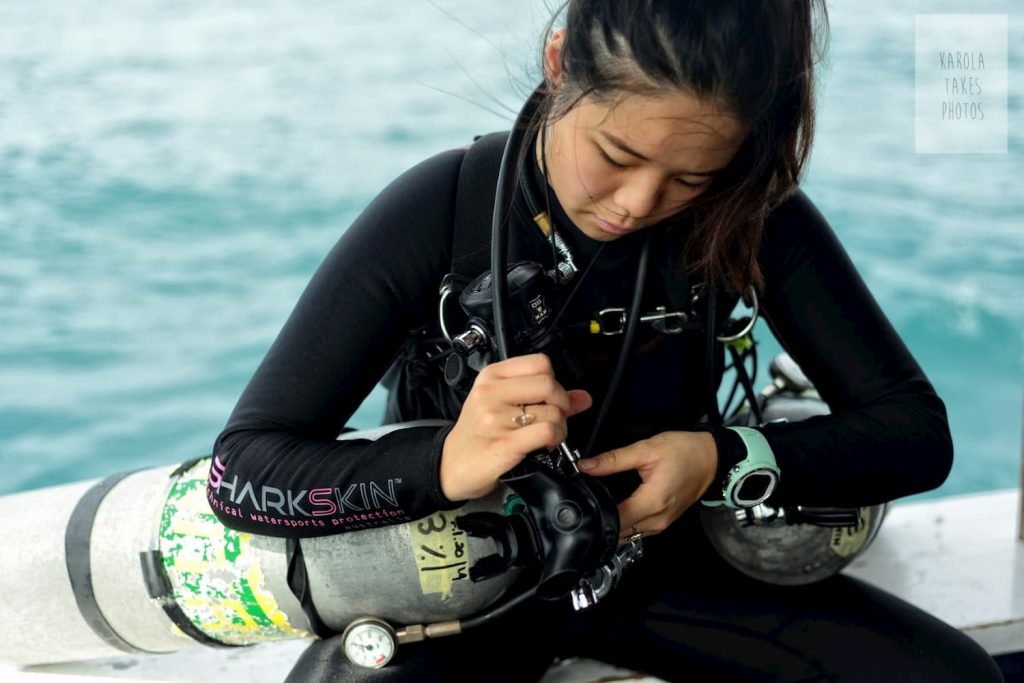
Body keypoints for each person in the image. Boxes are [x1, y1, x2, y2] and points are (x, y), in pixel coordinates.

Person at [208, 1, 1004, 681]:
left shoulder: (753, 218)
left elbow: (915, 434)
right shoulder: (441, 212)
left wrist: (723, 461)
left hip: (665, 565)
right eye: (617, 157)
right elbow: (243, 470)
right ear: (559, 64)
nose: (640, 203)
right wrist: (444, 463)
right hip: (459, 583)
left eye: (692, 177)